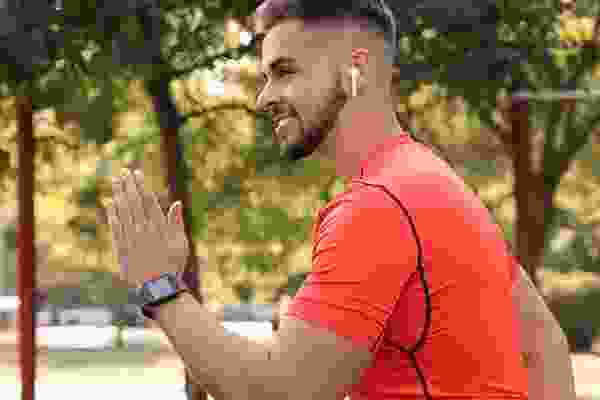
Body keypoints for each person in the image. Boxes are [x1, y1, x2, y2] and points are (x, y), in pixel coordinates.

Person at [105, 1, 575, 400]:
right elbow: (544, 344)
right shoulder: (439, 185)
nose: (264, 97)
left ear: (357, 71)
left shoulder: (380, 205)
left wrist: (159, 286)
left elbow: (281, 390)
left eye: (284, 72)